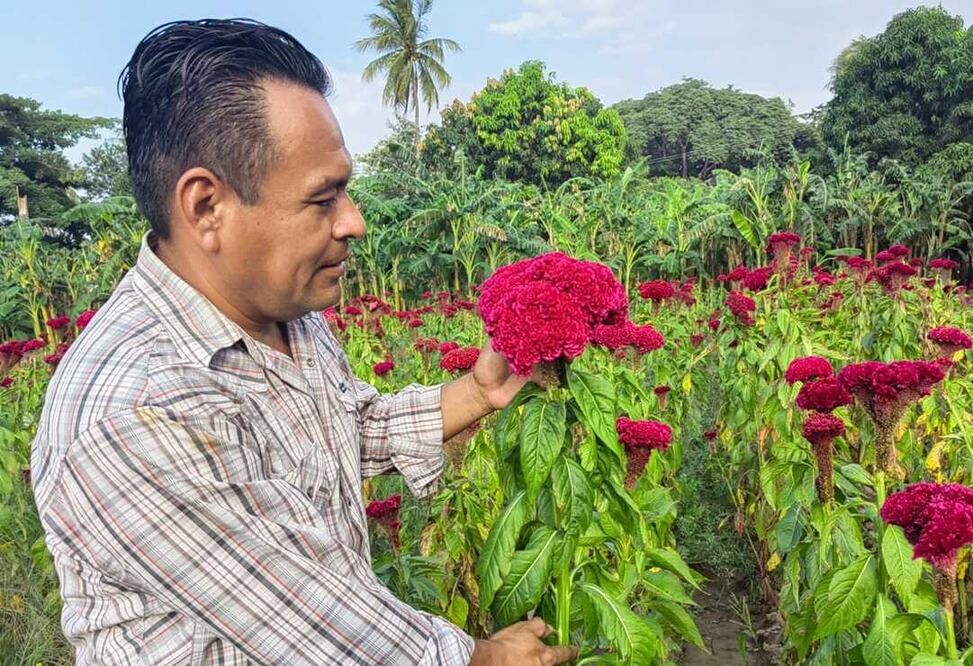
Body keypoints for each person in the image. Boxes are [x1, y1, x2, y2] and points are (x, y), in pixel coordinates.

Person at [29, 18, 577, 666]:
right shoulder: (137, 414)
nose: (354, 221)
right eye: (322, 200)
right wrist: (480, 658)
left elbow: (340, 427)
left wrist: (478, 392)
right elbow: (314, 633)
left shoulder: (279, 311)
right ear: (206, 207)